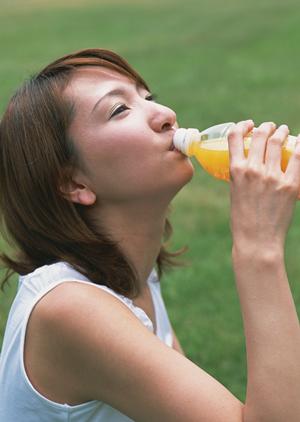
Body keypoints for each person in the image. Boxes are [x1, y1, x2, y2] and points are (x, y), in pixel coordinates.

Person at [0, 48, 299, 422]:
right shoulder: (70, 308)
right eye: (119, 109)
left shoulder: (134, 274)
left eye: (147, 98)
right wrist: (260, 248)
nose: (165, 115)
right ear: (73, 182)